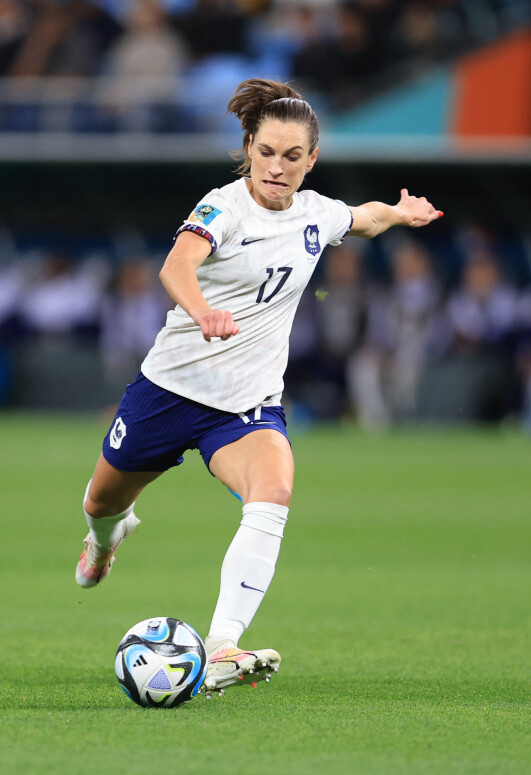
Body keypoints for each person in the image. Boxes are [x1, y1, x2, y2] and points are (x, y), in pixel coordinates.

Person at [75, 78, 442, 698]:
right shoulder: (223, 207)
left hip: (245, 406)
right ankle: (105, 541)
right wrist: (202, 312)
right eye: (267, 152)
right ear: (248, 148)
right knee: (100, 502)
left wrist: (400, 213)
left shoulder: (316, 213)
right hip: (168, 390)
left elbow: (362, 220)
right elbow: (176, 266)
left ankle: (221, 645)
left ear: (311, 160)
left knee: (272, 494)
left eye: (292, 156)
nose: (278, 167)